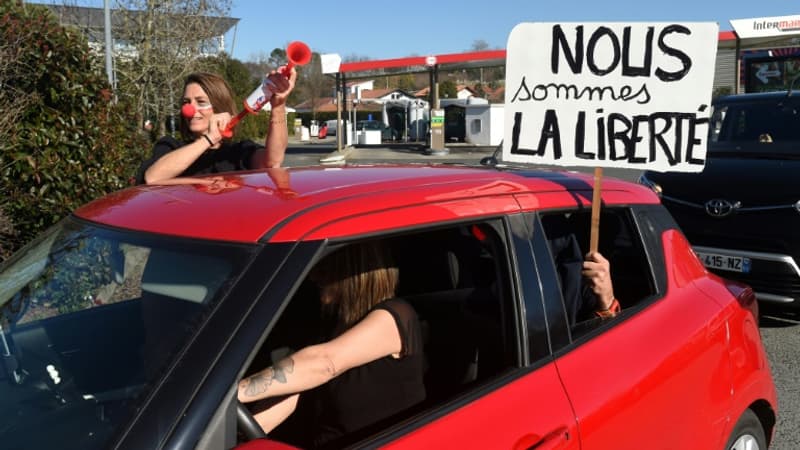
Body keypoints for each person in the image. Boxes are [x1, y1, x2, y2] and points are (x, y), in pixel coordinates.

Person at [237, 241, 425, 447]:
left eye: (324, 268)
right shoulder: (332, 326)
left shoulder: (394, 316)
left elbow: (325, 363)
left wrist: (234, 392)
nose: (314, 276)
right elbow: (293, 390)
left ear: (353, 274)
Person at [136, 69, 296, 185]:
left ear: (219, 107)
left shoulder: (237, 152)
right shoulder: (169, 146)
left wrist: (278, 106)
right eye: (186, 102)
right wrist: (209, 139)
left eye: (201, 102)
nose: (190, 110)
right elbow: (153, 177)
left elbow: (273, 162)